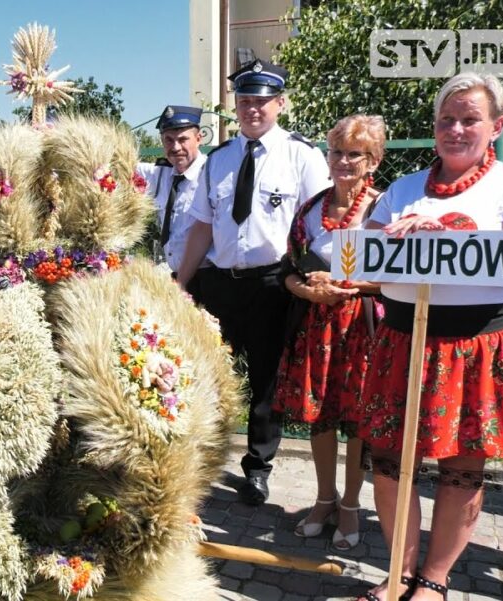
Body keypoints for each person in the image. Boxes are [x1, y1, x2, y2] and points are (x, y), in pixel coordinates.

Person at [357, 73, 503, 601]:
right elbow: (361, 261)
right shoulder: (401, 189)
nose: (456, 128)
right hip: (404, 341)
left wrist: (450, 234)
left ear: (497, 126)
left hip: (476, 346)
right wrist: (396, 238)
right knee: (392, 462)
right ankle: (398, 572)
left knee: (462, 467)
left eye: (470, 119)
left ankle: (434, 581)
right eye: (447, 119)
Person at [176, 58, 330, 506]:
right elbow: (202, 228)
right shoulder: (218, 161)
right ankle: (201, 459)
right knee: (207, 376)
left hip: (271, 284)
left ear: (280, 103)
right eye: (245, 101)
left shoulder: (302, 156)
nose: (252, 110)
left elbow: (318, 227)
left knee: (265, 380)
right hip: (221, 283)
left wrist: (309, 277)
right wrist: (180, 282)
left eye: (262, 101)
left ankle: (257, 470)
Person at [272, 114, 386, 551]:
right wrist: (308, 290)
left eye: (354, 154)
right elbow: (288, 271)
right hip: (316, 326)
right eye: (336, 151)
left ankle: (353, 505)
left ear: (372, 160)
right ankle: (323, 498)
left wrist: (350, 285)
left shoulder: (383, 208)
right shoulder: (310, 209)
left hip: (363, 327)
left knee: (355, 417)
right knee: (320, 416)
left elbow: (400, 275)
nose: (342, 160)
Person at [134, 105, 208, 275]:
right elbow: (118, 165)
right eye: (169, 140)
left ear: (198, 138)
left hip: (209, 277)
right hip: (176, 275)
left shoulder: (212, 173)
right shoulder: (161, 174)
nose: (175, 147)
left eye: (183, 140)